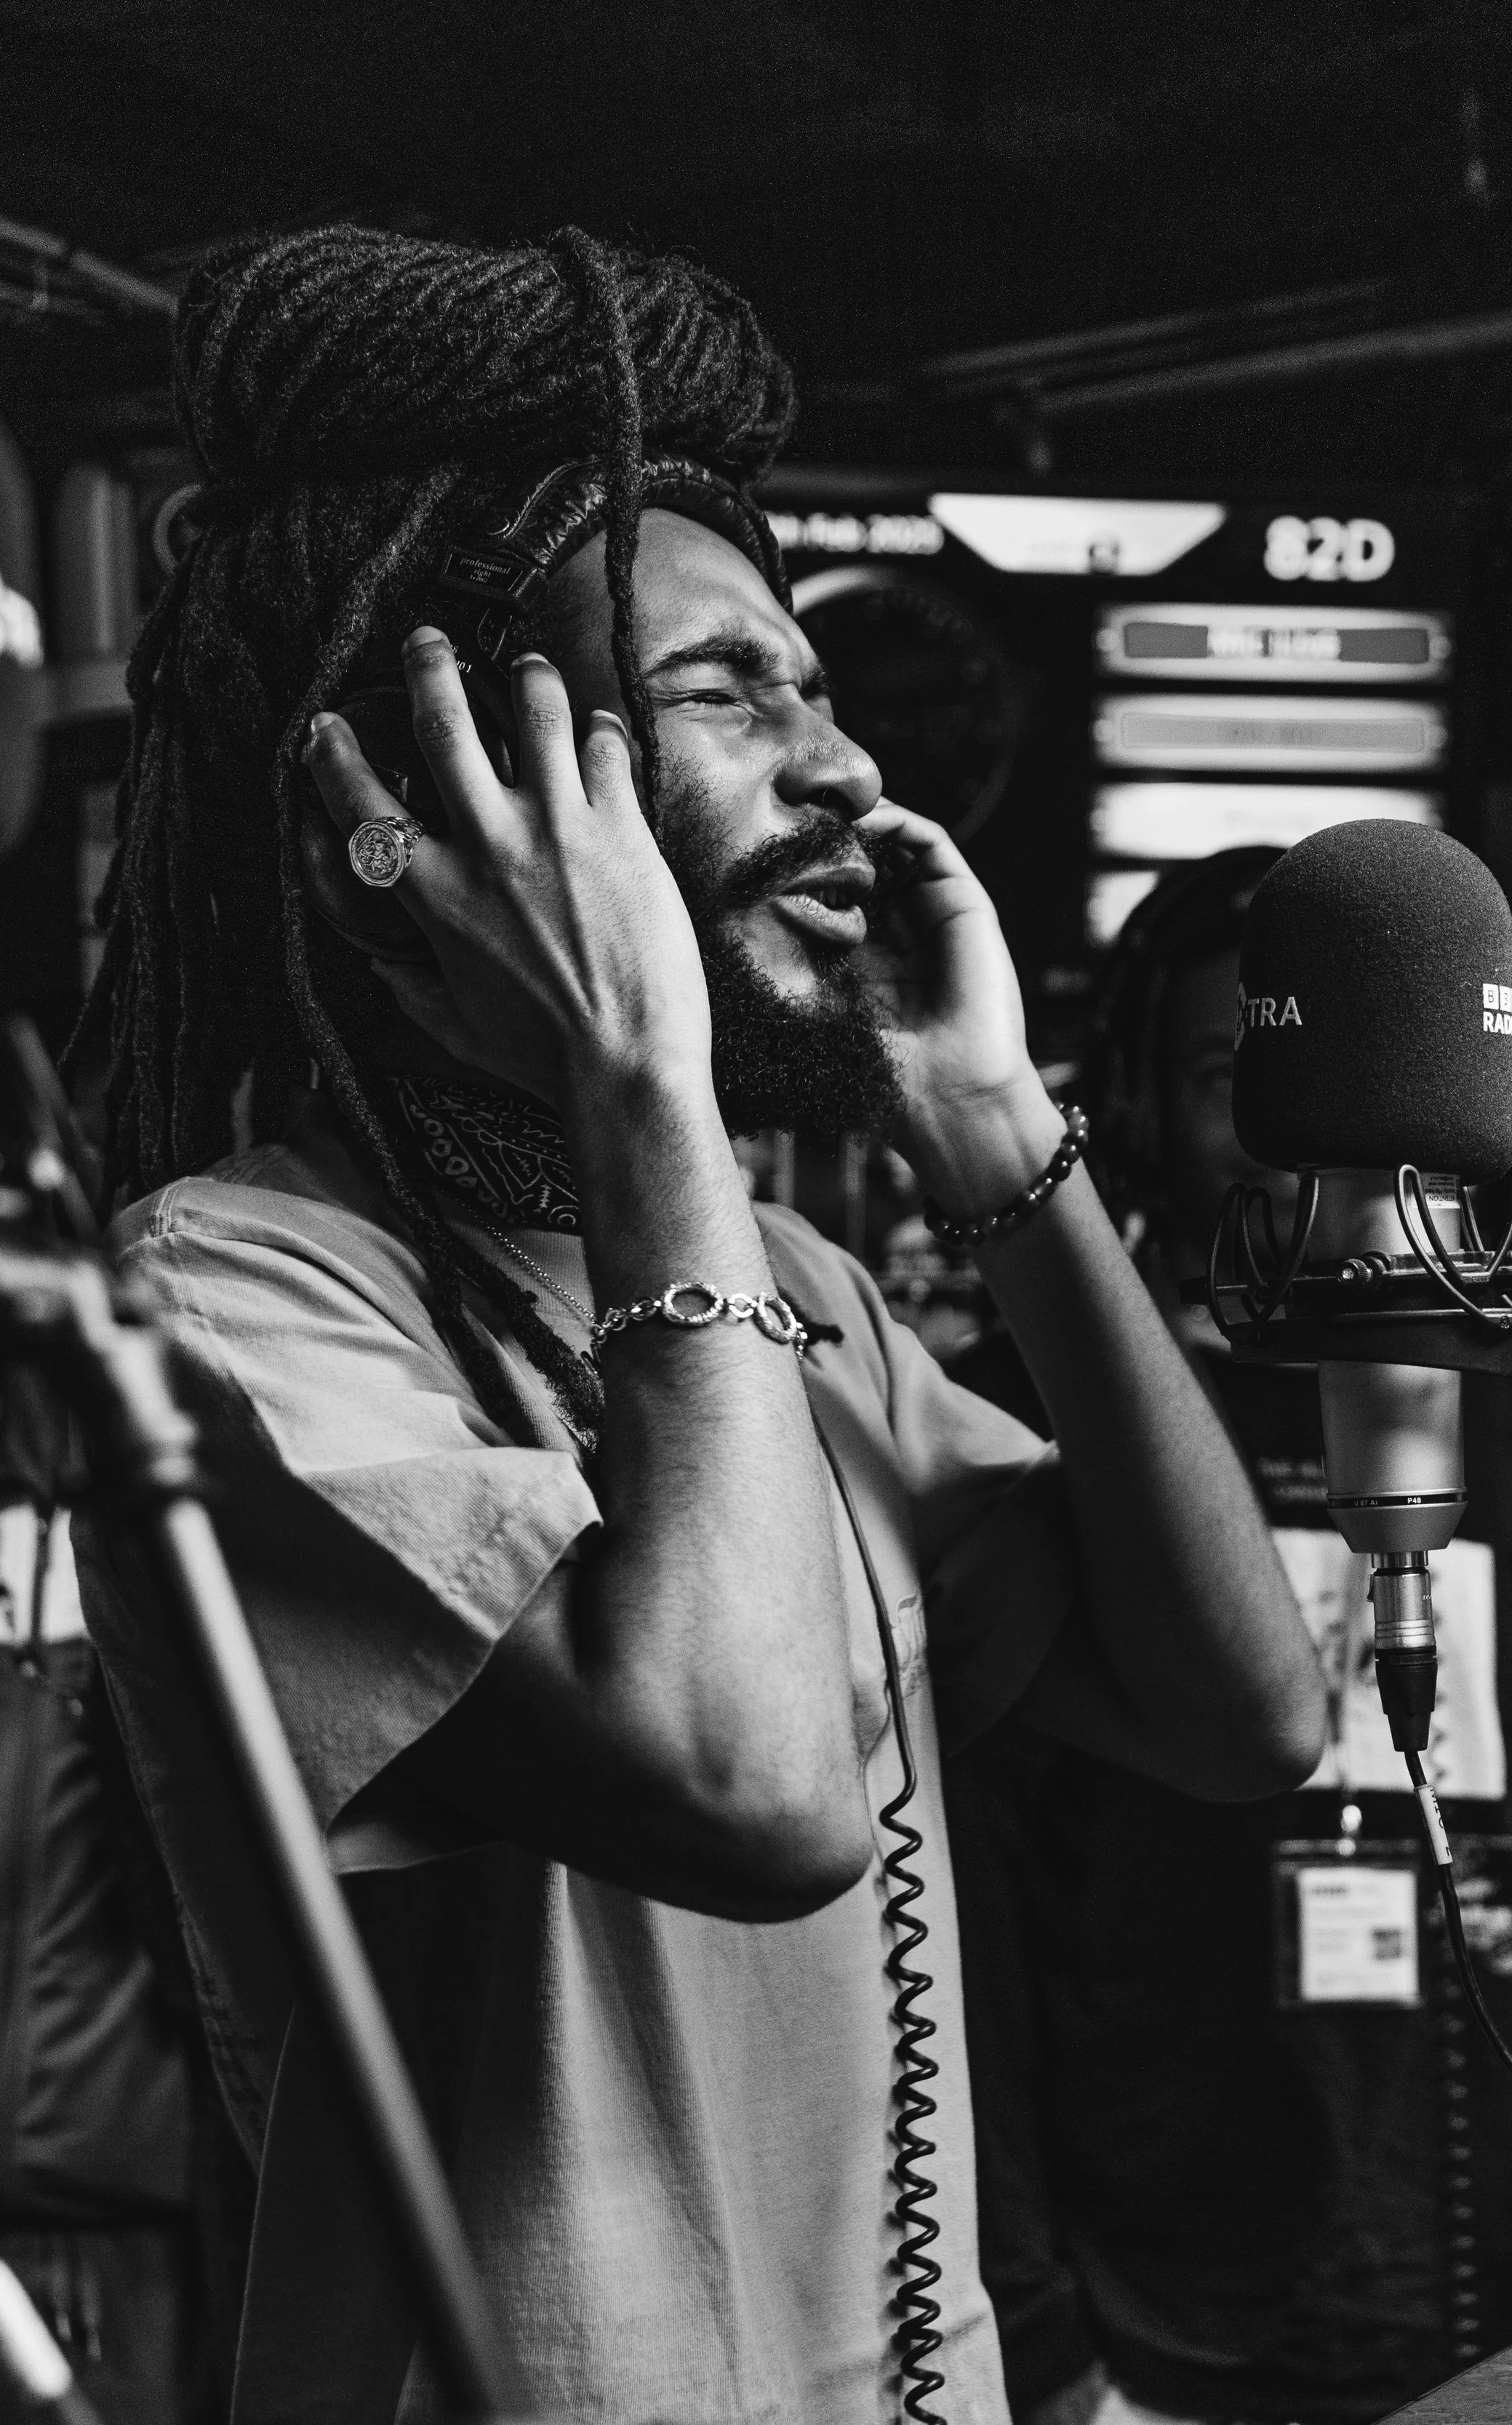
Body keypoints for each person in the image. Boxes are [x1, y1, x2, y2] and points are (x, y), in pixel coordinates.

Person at [64, 230, 1327, 2425]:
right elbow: (748, 1789)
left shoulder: (796, 1297)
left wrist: (1001, 1137)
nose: (842, 770)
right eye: (737, 697)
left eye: (814, 688)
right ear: (438, 811)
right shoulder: (227, 1302)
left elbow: (1244, 1714)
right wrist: (642, 1075)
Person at [945, 848, 1512, 2425]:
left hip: (1486, 2306)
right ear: (1130, 1110)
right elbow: (962, 1937)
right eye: (1232, 1081)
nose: (1313, 1160)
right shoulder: (1025, 1425)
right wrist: (1037, 2329)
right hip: (1153, 2344)